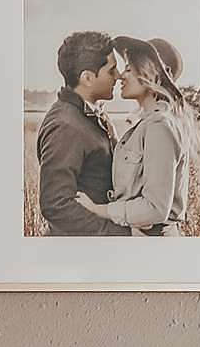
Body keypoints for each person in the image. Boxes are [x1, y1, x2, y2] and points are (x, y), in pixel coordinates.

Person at [74, 36, 193, 236]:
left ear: (153, 74)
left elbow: (155, 208)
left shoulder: (159, 127)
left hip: (153, 249)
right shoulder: (147, 125)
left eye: (129, 68)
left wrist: (98, 209)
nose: (121, 76)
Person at [35, 31, 132, 237]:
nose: (119, 76)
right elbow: (56, 205)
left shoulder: (88, 114)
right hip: (78, 256)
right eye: (112, 70)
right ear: (87, 78)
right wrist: (117, 235)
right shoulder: (65, 126)